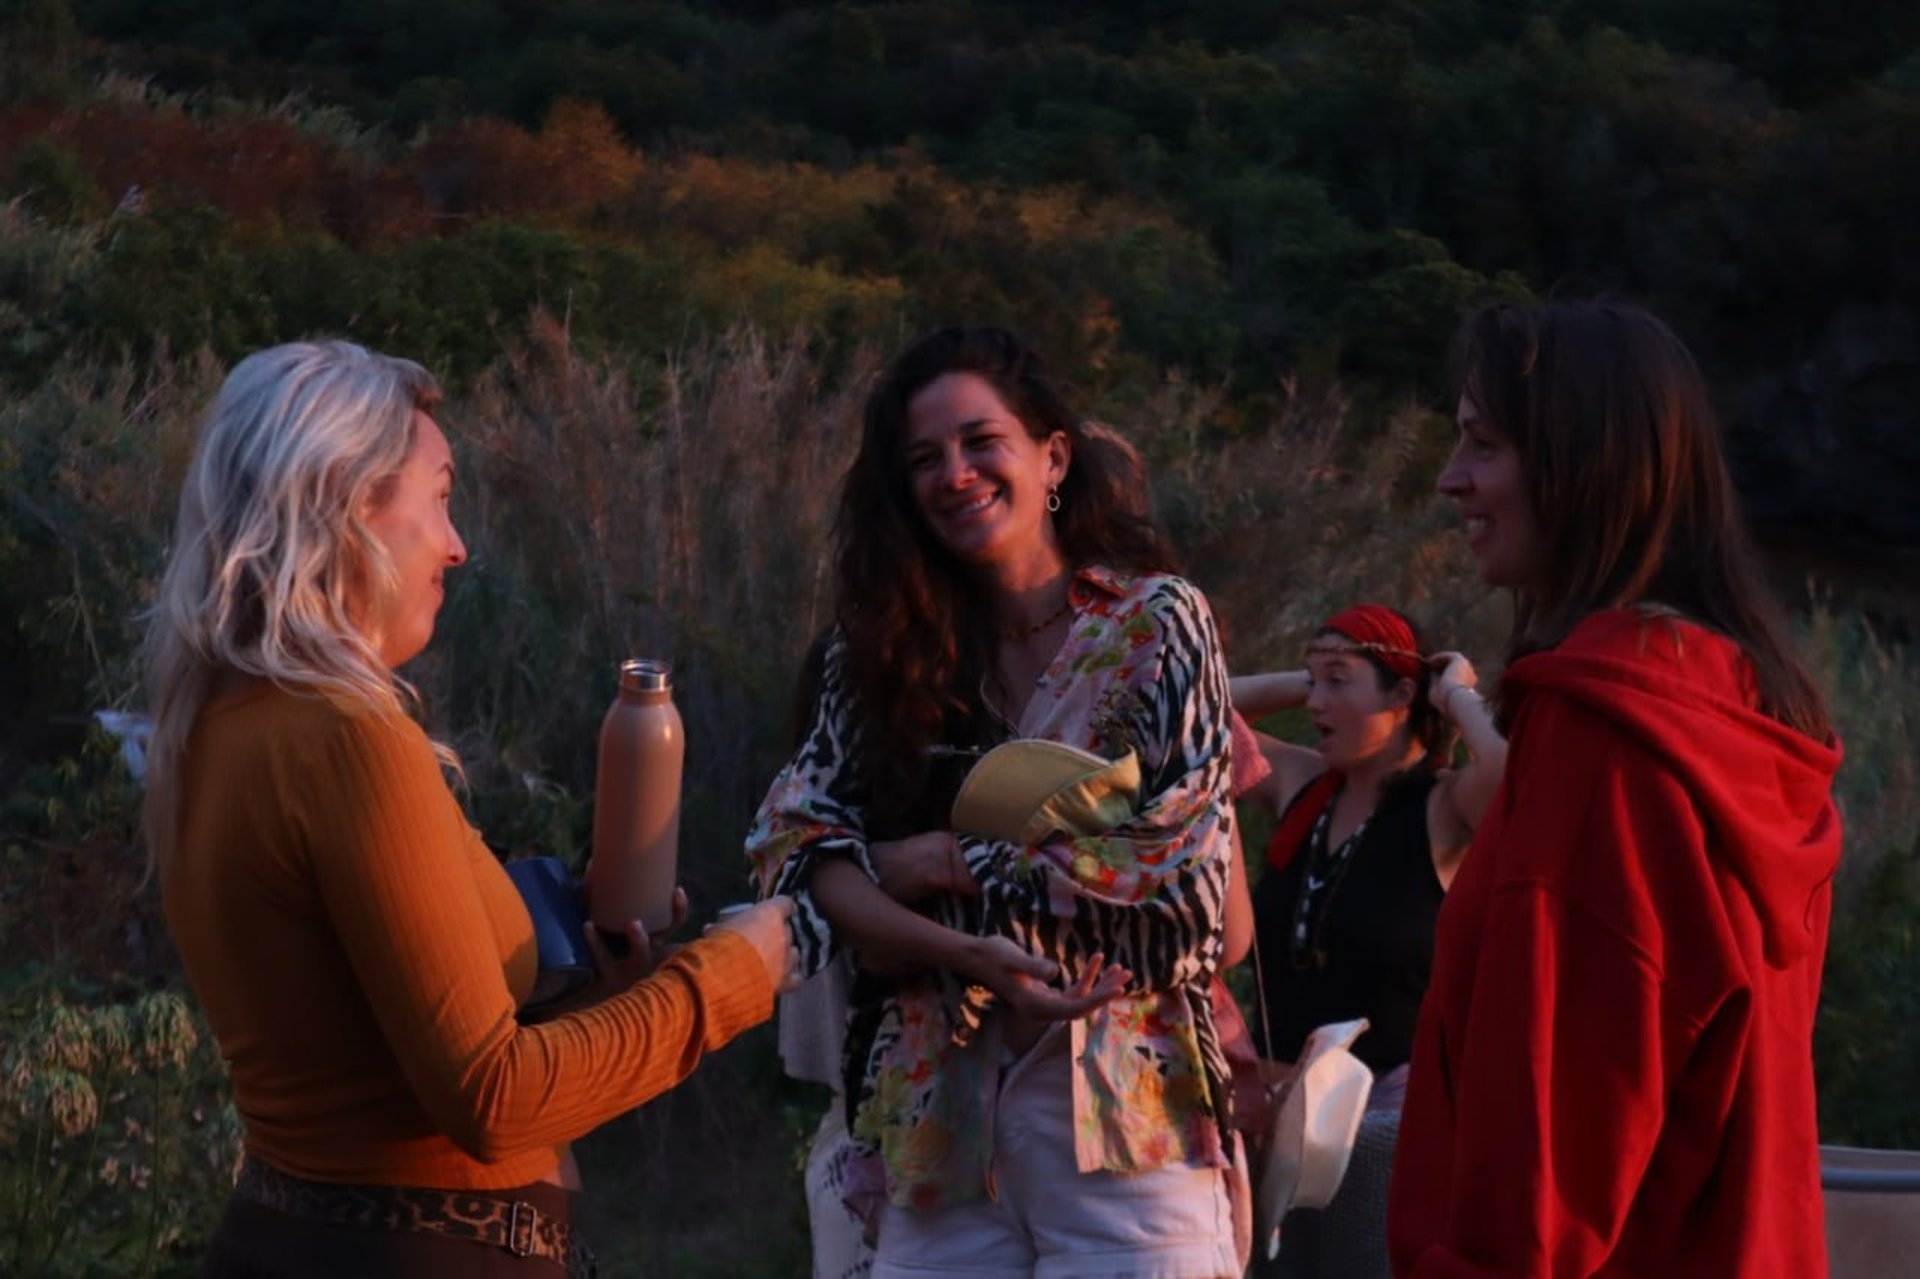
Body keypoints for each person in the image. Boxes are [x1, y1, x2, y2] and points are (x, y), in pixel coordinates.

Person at [144, 340, 800, 1276]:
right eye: (440, 495)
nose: (456, 542)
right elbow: (494, 1101)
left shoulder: (209, 724)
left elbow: (365, 1051)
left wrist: (596, 994)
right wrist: (738, 973)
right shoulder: (347, 739)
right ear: (346, 501)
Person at [746, 327, 1243, 1278]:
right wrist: (966, 940)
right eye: (925, 458)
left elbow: (1180, 904)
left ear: (1052, 454)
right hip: (937, 1118)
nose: (957, 474)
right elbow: (789, 856)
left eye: (982, 441)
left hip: (1123, 1107)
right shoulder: (876, 656)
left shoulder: (1158, 626)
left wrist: (920, 864)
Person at [1390, 300, 1841, 1277]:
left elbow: (1548, 1160)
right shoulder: (1745, 708)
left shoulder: (1605, 732)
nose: (1449, 477)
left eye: (1484, 444)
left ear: (1584, 466)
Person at [1229, 605, 1507, 1277]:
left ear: (1403, 695)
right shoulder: (1302, 785)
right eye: (1313, 683)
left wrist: (1458, 693)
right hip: (1273, 1116)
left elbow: (1514, 779)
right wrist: (1316, 675)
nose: (1317, 702)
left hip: (1388, 1129)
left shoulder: (1442, 806)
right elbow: (1194, 708)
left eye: (1338, 683)